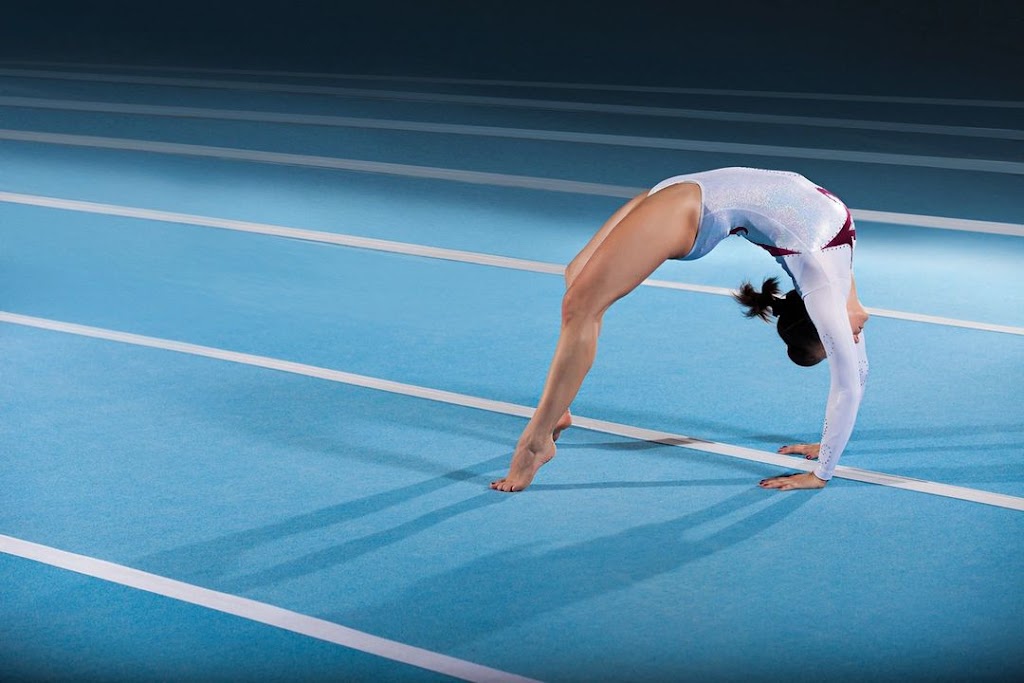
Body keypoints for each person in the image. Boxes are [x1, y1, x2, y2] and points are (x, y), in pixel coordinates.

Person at [490, 167, 870, 493]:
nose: (852, 339)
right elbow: (849, 383)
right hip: (691, 205)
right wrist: (821, 475)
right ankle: (549, 426)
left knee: (581, 301)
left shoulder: (837, 274)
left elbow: (855, 369)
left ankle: (541, 433)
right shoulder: (824, 288)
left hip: (689, 198)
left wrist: (826, 447)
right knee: (577, 284)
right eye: (840, 340)